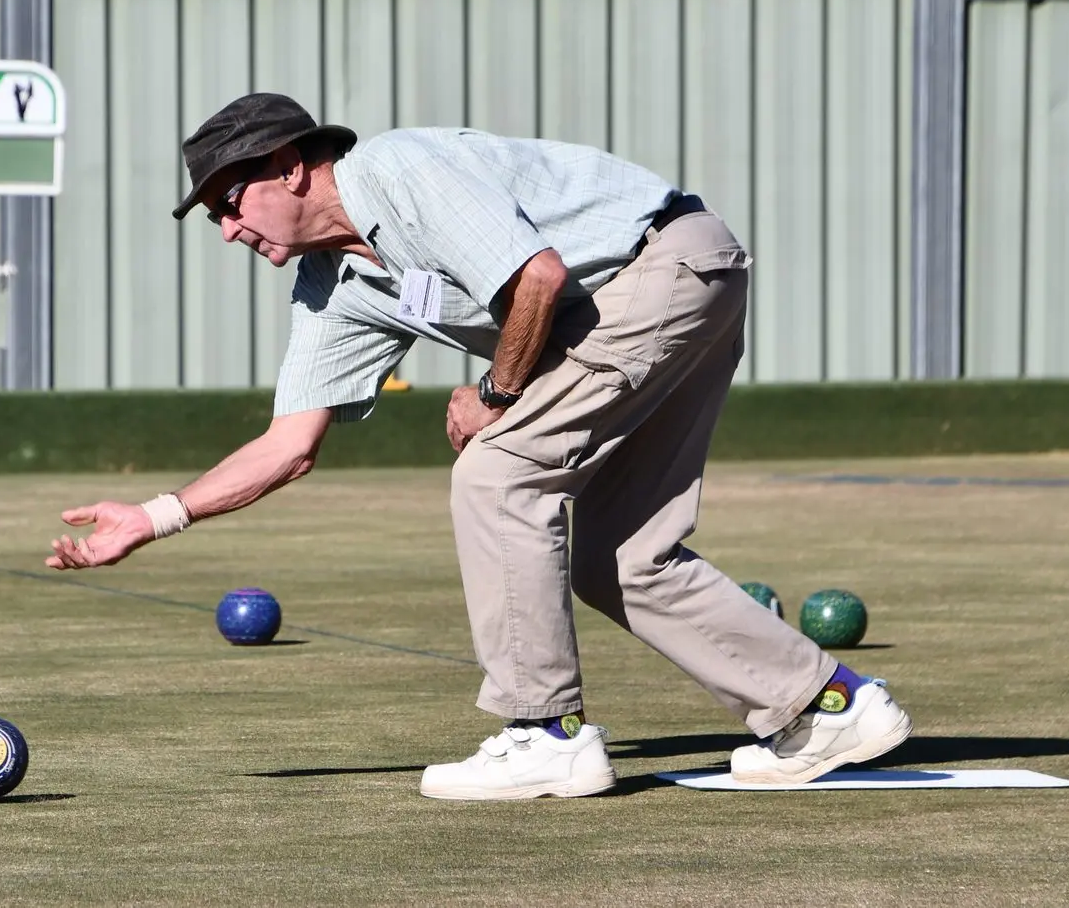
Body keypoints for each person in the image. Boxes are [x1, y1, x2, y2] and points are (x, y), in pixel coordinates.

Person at [44, 92, 913, 800]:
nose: (228, 230)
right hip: (655, 297)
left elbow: (534, 276)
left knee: (495, 471)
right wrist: (152, 517)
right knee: (616, 550)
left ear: (291, 166)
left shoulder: (394, 168)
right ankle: (827, 705)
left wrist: (494, 396)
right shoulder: (331, 288)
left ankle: (544, 735)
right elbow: (290, 442)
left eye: (229, 202)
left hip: (661, 269)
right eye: (213, 220)